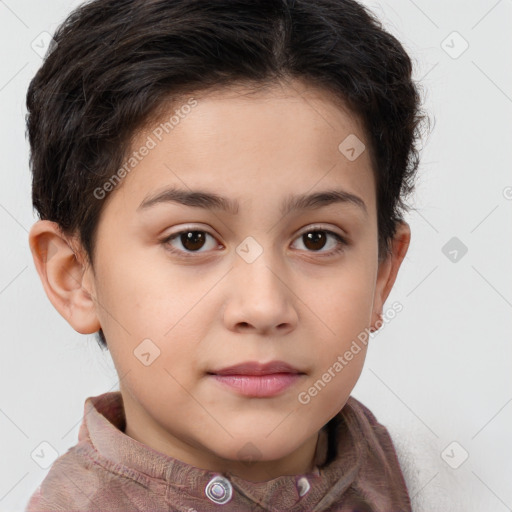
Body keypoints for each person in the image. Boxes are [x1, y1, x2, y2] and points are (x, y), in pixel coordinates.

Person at [24, 0, 428, 510]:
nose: (263, 308)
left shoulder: (432, 477)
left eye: (316, 239)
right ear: (75, 276)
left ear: (382, 275)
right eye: (191, 239)